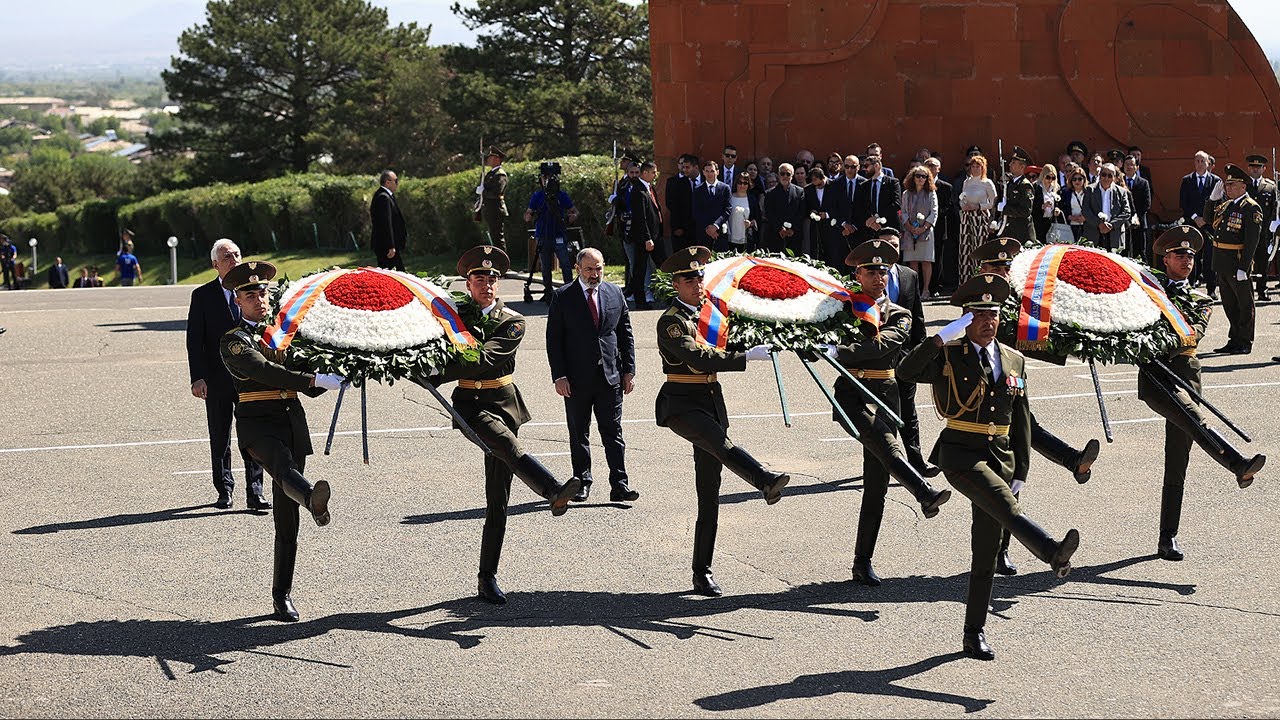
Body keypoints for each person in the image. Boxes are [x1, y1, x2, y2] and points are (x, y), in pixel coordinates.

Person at [898, 274, 1082, 661]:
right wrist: (938, 339)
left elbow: (1022, 418)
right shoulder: (950, 353)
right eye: (979, 314)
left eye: (993, 313)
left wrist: (1022, 471)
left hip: (1002, 456)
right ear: (966, 318)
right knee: (1002, 504)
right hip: (961, 454)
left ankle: (973, 633)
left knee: (984, 553)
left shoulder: (1013, 358)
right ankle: (1050, 551)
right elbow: (905, 372)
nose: (988, 320)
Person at [415, 246, 581, 605]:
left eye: (492, 278)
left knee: (498, 499)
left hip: (503, 404)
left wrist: (435, 372)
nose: (487, 284)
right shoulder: (452, 319)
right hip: (470, 408)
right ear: (468, 282)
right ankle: (552, 489)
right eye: (479, 278)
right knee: (504, 446)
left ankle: (486, 577)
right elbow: (428, 345)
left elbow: (485, 359)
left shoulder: (512, 321)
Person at [656, 246, 791, 596]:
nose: (697, 283)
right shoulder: (671, 321)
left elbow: (735, 335)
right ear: (676, 283)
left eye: (700, 276)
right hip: (682, 404)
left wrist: (766, 330)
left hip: (711, 401)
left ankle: (702, 571)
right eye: (689, 279)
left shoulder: (711, 314)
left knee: (709, 493)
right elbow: (698, 357)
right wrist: (746, 356)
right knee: (720, 445)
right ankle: (763, 479)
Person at [218, 260, 342, 622]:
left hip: (290, 423)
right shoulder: (234, 341)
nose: (259, 298)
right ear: (237, 301)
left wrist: (338, 374)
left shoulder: (285, 337)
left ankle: (281, 595)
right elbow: (265, 371)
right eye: (250, 294)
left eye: (263, 292)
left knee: (287, 522)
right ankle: (312, 499)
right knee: (281, 466)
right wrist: (314, 380)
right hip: (258, 425)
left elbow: (303, 376)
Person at [973, 237, 1101, 575]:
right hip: (983, 405)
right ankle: (1073, 462)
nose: (1003, 272)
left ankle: (1001, 550)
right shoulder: (977, 304)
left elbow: (1034, 339)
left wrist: (1079, 342)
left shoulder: (1018, 301)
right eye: (996, 267)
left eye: (1006, 266)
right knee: (1000, 479)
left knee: (1017, 470)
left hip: (1013, 394)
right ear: (983, 271)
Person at [1138, 226, 1265, 560]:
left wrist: (1156, 338)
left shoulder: (1200, 299)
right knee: (1194, 420)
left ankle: (1167, 538)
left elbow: (1189, 334)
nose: (1187, 260)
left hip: (1187, 380)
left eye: (1191, 256)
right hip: (1156, 378)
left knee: (1177, 460)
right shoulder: (1146, 292)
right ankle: (1237, 463)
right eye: (1180, 255)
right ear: (1165, 259)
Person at [830, 240, 952, 586]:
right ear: (858, 274)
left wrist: (840, 350)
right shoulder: (843, 310)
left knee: (876, 484)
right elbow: (824, 342)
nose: (879, 276)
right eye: (871, 271)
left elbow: (881, 346)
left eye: (883, 271)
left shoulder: (899, 314)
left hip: (886, 395)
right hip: (853, 396)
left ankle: (862, 561)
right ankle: (923, 491)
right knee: (886, 445)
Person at [546, 247, 639, 504]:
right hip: (576, 379)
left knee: (613, 432)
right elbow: (554, 340)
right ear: (578, 269)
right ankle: (582, 482)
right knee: (579, 432)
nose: (595, 274)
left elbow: (625, 334)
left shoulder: (614, 292)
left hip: (610, 377)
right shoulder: (563, 296)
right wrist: (559, 376)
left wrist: (629, 370)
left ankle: (619, 484)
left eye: (598, 268)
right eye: (589, 269)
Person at [187, 239, 268, 511]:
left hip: (249, 379)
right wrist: (197, 377)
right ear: (215, 265)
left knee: (253, 434)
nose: (233, 260)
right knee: (220, 436)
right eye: (226, 256)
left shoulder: (254, 291)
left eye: (236, 254)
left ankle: (255, 492)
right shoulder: (202, 296)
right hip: (217, 379)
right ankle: (224, 489)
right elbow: (194, 340)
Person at [1206, 163, 1263, 355]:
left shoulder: (1251, 208)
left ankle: (1245, 341)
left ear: (1243, 187)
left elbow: (1252, 241)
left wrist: (1244, 267)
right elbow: (1208, 220)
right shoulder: (1227, 205)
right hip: (1223, 262)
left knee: (1244, 304)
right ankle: (1234, 338)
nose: (1227, 188)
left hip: (1238, 262)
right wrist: (1211, 200)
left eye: (1232, 185)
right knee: (1230, 304)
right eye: (1227, 185)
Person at [524, 163, 580, 302]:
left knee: (565, 264)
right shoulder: (538, 196)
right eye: (545, 177)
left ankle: (569, 290)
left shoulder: (561, 195)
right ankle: (548, 291)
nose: (548, 180)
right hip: (543, 234)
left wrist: (571, 218)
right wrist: (529, 216)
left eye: (551, 177)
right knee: (546, 265)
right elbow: (528, 213)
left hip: (559, 233)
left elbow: (574, 211)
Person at [1179, 151, 1220, 292]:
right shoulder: (1187, 180)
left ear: (1208, 163)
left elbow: (1220, 204)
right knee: (1191, 255)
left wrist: (1206, 218)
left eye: (1203, 161)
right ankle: (1190, 287)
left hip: (1209, 226)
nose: (1200, 164)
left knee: (1210, 258)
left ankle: (1211, 289)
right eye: (1197, 161)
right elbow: (1184, 203)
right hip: (1192, 224)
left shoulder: (1216, 181)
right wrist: (1196, 217)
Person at [622, 160, 661, 310]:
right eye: (653, 172)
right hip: (646, 238)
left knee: (662, 264)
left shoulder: (649, 188)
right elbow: (640, 217)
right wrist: (647, 238)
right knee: (640, 269)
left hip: (655, 235)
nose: (655, 174)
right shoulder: (638, 191)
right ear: (645, 173)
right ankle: (640, 300)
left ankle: (668, 294)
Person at [899, 165, 938, 297]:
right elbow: (903, 212)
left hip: (926, 231)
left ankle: (926, 289)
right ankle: (914, 290)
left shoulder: (931, 193)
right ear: (913, 177)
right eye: (918, 176)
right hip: (910, 231)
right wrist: (910, 227)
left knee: (926, 261)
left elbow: (934, 213)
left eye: (924, 176)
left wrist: (923, 228)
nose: (921, 179)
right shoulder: (906, 194)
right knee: (913, 262)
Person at [958, 155, 997, 282]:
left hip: (980, 217)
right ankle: (966, 281)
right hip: (967, 216)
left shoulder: (987, 182)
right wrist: (964, 206)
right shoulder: (967, 182)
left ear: (983, 168)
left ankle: (980, 279)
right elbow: (963, 197)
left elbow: (992, 203)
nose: (975, 169)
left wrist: (978, 206)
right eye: (973, 166)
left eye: (978, 167)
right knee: (965, 248)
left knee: (978, 247)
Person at [1244, 154, 1277, 301]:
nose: (1255, 169)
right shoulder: (1243, 185)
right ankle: (1246, 291)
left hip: (1264, 232)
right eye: (1252, 167)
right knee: (1245, 261)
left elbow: (1274, 208)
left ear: (1264, 168)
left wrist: (1273, 225)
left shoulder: (1270, 186)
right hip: (1245, 232)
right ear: (1248, 168)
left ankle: (1262, 290)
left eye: (1258, 167)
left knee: (1263, 262)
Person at [805, 166, 851, 267]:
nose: (817, 186)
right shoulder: (808, 189)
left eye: (819, 183)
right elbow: (806, 206)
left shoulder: (836, 186)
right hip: (816, 228)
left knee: (833, 255)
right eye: (814, 183)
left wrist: (827, 215)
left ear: (823, 178)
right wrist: (812, 212)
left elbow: (841, 207)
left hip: (832, 228)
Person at [1082, 162, 1132, 252]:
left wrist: (1111, 225)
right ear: (1100, 175)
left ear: (1114, 177)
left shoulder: (1122, 192)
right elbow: (1086, 210)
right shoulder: (1090, 189)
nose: (1106, 178)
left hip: (1114, 235)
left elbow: (1126, 212)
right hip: (1094, 233)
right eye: (1104, 175)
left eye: (1110, 176)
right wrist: (1099, 224)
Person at [853, 155, 902, 243]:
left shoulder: (892, 182)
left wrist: (876, 218)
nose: (865, 169)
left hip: (889, 228)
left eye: (867, 166)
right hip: (869, 230)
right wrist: (870, 222)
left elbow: (896, 204)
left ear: (876, 165)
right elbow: (860, 207)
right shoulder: (863, 186)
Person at [761, 163, 806, 254]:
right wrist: (779, 228)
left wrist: (793, 229)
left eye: (788, 174)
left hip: (794, 235)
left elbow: (802, 212)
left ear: (792, 176)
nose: (785, 176)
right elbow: (769, 213)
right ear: (778, 175)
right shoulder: (770, 193)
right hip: (775, 235)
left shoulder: (800, 192)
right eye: (782, 173)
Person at [999, 146, 1037, 244]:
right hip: (1010, 231)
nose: (1010, 164)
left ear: (1022, 167)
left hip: (1022, 233)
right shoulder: (1011, 183)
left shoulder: (1025, 185)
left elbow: (1025, 211)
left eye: (1013, 163)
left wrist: (1006, 208)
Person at [370, 170, 407, 271]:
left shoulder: (387, 196)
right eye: (396, 181)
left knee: (394, 274)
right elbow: (386, 223)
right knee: (397, 275)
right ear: (387, 182)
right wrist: (390, 246)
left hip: (388, 245)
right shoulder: (383, 197)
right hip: (386, 246)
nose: (397, 184)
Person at [692, 160, 732, 251]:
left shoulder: (725, 188)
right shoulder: (697, 190)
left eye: (712, 171)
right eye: (707, 171)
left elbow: (728, 209)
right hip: (703, 233)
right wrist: (708, 228)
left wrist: (715, 225)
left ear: (717, 172)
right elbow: (696, 212)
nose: (710, 174)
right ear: (703, 172)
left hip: (720, 232)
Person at [664, 154, 698, 253]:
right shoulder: (676, 182)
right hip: (683, 227)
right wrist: (677, 226)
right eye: (682, 165)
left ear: (695, 167)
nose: (684, 169)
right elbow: (672, 205)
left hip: (701, 227)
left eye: (687, 166)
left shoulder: (705, 181)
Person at [1122, 155, 1153, 261]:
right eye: (1127, 164)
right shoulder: (1120, 183)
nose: (1129, 167)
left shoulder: (1143, 183)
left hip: (1139, 223)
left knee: (1140, 252)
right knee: (1124, 252)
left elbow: (1146, 204)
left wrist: (1135, 216)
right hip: (1123, 224)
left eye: (1132, 164)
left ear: (1136, 167)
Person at [478, 146, 509, 251]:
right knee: (493, 238)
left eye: (490, 157)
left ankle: (503, 264)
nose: (488, 159)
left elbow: (496, 193)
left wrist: (483, 191)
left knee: (498, 238)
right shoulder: (491, 173)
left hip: (496, 209)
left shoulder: (500, 175)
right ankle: (497, 261)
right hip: (490, 209)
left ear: (497, 159)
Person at [727, 172, 758, 249]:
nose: (742, 185)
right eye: (740, 182)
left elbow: (757, 217)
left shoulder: (752, 199)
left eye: (745, 183)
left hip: (746, 239)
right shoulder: (729, 198)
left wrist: (751, 223)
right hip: (730, 238)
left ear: (748, 184)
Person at [1034, 163, 1063, 243]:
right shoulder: (1036, 188)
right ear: (1043, 176)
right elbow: (1032, 206)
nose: (1050, 180)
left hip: (1051, 221)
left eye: (1053, 178)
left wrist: (1057, 209)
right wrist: (1042, 206)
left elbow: (1060, 204)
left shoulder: (1056, 188)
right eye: (1048, 177)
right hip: (1039, 221)